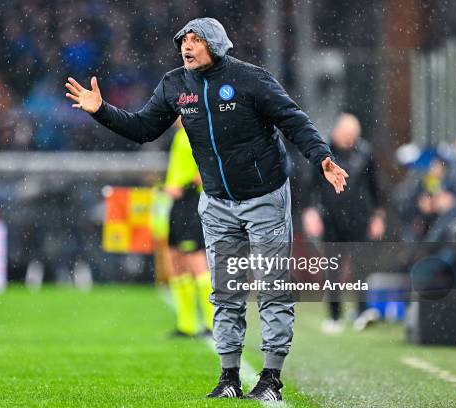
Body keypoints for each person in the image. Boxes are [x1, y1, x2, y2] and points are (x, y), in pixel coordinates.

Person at [65, 17, 348, 401]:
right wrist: (101, 111)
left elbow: (293, 121)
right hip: (216, 202)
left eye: (196, 41)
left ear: (216, 45)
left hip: (265, 196)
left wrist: (322, 158)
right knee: (225, 291)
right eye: (184, 40)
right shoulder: (174, 85)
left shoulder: (252, 79)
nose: (187, 47)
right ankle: (229, 377)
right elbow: (143, 129)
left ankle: (271, 378)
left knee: (271, 288)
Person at [302, 113, 385, 332]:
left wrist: (378, 216)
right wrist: (310, 212)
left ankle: (362, 311)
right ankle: (335, 315)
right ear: (337, 132)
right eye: (346, 134)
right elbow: (309, 186)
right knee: (333, 268)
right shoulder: (324, 154)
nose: (350, 139)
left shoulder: (365, 153)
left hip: (359, 218)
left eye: (354, 135)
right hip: (330, 219)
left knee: (361, 267)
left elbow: (375, 187)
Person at [164, 117, 214, 337]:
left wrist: (185, 186)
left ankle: (213, 324)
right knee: (176, 260)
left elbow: (209, 166)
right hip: (177, 205)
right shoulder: (179, 136)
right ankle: (187, 325)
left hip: (190, 201)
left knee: (195, 259)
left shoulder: (198, 133)